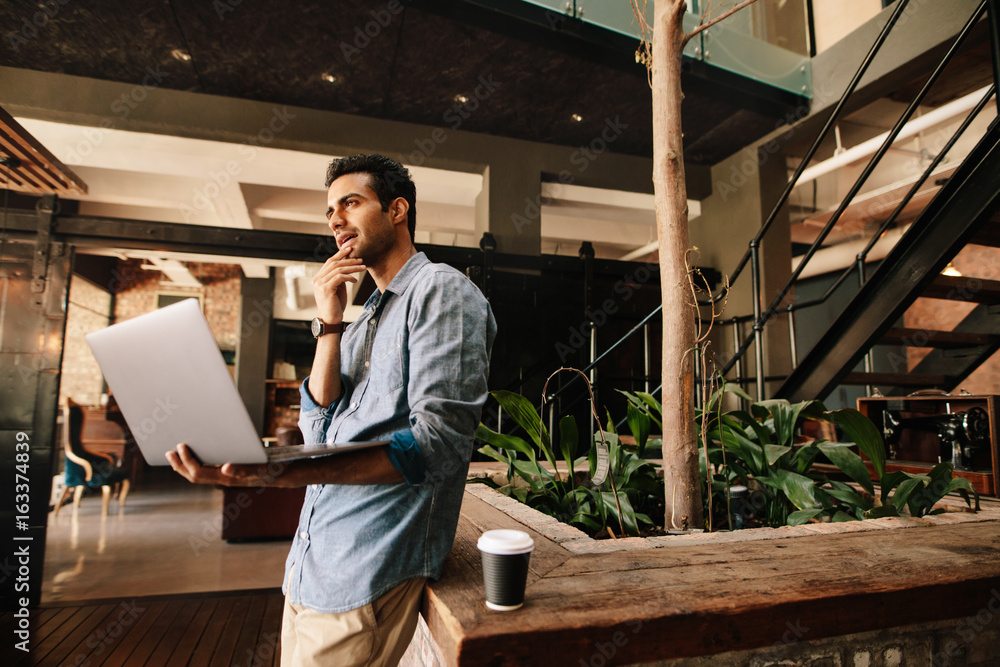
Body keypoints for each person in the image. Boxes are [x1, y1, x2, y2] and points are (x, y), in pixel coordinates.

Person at [167, 154, 496, 666]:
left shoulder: (442, 292)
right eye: (329, 211)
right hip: (309, 571)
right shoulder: (363, 322)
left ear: (397, 211)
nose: (335, 219)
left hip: (365, 575)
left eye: (350, 202)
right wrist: (329, 321)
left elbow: (438, 446)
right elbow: (317, 425)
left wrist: (275, 473)